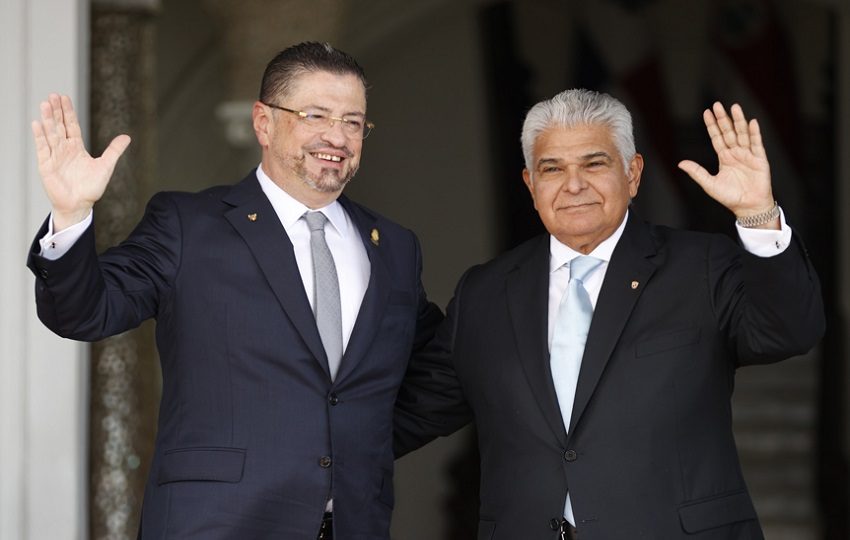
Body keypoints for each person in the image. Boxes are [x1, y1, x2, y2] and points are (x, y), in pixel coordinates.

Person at [27, 42, 442, 540]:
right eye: (316, 114)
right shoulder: (187, 224)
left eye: (354, 122)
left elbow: (436, 374)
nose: (338, 135)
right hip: (218, 525)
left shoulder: (394, 246)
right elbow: (86, 311)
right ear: (263, 122)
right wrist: (71, 216)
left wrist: (352, 446)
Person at [394, 89, 824, 539]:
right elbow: (412, 413)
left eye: (594, 164)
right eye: (552, 168)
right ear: (530, 184)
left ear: (633, 173)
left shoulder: (700, 267)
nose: (573, 184)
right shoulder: (485, 292)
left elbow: (789, 332)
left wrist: (757, 214)